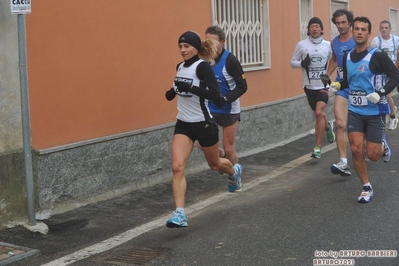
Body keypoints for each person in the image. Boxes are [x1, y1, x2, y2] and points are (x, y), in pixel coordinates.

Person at [164, 31, 243, 228]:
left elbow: (215, 95)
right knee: (177, 166)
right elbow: (176, 90)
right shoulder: (180, 67)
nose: (183, 50)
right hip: (183, 123)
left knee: (215, 165)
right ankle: (180, 213)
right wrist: (172, 91)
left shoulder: (203, 68)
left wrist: (190, 88)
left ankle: (234, 172)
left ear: (196, 48)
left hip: (204, 124)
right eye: (180, 46)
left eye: (187, 46)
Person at [329, 16, 399, 203]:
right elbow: (348, 80)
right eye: (357, 29)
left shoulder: (377, 55)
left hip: (375, 111)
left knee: (373, 155)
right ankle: (366, 187)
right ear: (353, 32)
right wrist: (337, 84)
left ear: (369, 34)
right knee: (356, 148)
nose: (359, 32)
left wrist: (381, 92)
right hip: (355, 111)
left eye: (363, 29)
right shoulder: (347, 56)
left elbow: (395, 76)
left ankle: (382, 145)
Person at [197, 26, 247, 166]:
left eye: (213, 41)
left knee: (229, 147)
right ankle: (223, 157)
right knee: (202, 144)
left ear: (223, 41)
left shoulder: (230, 60)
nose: (209, 44)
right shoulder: (203, 59)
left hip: (228, 109)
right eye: (206, 40)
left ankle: (234, 177)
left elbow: (243, 86)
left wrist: (225, 99)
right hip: (210, 108)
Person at [290, 17, 334, 159]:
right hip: (309, 87)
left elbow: (334, 61)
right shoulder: (301, 45)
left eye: (317, 26)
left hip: (323, 85)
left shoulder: (328, 45)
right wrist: (302, 63)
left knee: (318, 113)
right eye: (312, 26)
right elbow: (292, 62)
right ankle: (328, 128)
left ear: (322, 29)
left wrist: (330, 75)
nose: (314, 29)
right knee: (319, 114)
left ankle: (318, 147)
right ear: (308, 29)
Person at [324, 9, 355, 176]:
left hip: (359, 87)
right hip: (342, 86)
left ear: (350, 22)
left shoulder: (357, 39)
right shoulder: (334, 42)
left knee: (361, 126)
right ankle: (343, 162)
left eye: (344, 22)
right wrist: (327, 74)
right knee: (341, 124)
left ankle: (380, 141)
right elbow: (335, 59)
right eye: (338, 23)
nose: (341, 25)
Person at [370, 20, 399, 131]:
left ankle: (392, 113)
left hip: (393, 71)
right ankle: (392, 115)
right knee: (386, 94)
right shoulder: (376, 41)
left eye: (386, 28)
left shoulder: (396, 40)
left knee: (386, 94)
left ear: (390, 29)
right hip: (382, 73)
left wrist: (396, 68)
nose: (384, 30)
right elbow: (372, 55)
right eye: (382, 27)